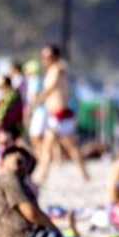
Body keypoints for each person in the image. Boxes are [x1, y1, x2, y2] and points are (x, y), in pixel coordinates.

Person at [31, 45, 89, 183]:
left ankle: (43, 176)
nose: (45, 59)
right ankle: (43, 176)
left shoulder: (57, 69)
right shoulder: (53, 69)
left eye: (48, 56)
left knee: (68, 147)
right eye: (43, 56)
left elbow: (50, 88)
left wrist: (37, 100)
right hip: (55, 115)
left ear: (55, 56)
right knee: (51, 146)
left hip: (61, 115)